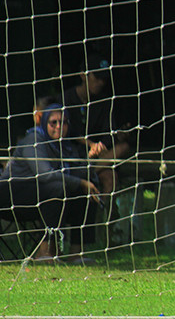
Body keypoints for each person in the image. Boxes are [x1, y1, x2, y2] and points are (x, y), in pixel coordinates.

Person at [0, 103, 102, 263]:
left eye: (64, 122)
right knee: (58, 188)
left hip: (42, 197)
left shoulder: (64, 146)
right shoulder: (33, 140)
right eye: (53, 122)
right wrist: (81, 182)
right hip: (11, 195)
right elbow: (45, 174)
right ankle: (45, 252)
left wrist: (90, 159)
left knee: (85, 191)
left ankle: (76, 253)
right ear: (44, 122)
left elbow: (75, 174)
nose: (59, 126)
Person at [61, 52, 134, 200]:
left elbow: (108, 132)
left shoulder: (105, 102)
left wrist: (112, 139)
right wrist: (89, 144)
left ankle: (103, 212)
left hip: (97, 156)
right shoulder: (66, 98)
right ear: (83, 75)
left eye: (104, 79)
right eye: (97, 77)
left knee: (112, 175)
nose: (101, 82)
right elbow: (64, 131)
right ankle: (84, 173)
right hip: (71, 155)